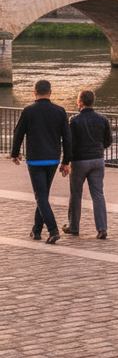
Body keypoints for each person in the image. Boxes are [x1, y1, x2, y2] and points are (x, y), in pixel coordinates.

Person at [9, 79, 72, 244]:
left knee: (41, 197)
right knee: (43, 195)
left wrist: (15, 153)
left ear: (34, 92)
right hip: (52, 160)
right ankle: (36, 230)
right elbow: (67, 138)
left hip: (35, 160)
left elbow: (18, 133)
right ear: (50, 92)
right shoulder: (60, 111)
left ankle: (53, 230)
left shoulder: (28, 111)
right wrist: (66, 161)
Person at [63, 89, 112, 240]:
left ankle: (74, 226)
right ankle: (102, 228)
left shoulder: (74, 120)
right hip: (98, 160)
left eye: (77, 99)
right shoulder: (103, 119)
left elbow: (70, 144)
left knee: (76, 194)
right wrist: (97, 148)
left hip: (79, 161)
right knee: (98, 195)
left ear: (81, 102)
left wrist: (65, 162)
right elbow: (108, 141)